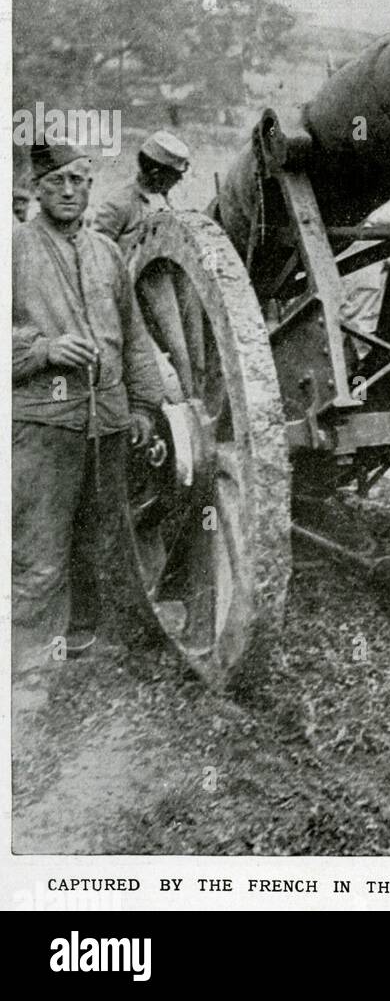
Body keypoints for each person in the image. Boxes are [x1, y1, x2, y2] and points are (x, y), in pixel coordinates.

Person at [12, 138, 163, 716]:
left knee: (97, 539)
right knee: (39, 550)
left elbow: (134, 339)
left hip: (107, 423)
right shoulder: (15, 251)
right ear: (37, 189)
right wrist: (44, 349)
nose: (70, 192)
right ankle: (27, 670)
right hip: (43, 427)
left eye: (79, 181)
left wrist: (145, 407)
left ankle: (80, 644)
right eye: (58, 183)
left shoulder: (105, 253)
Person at [92, 130, 191, 249]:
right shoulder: (119, 204)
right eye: (176, 175)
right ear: (156, 174)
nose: (180, 179)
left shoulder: (172, 197)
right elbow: (96, 251)